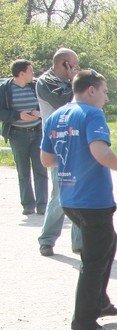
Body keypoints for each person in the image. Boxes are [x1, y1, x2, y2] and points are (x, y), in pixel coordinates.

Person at [39, 68, 117, 330]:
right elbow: (100, 151)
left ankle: (100, 301)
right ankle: (84, 324)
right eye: (104, 91)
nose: (106, 97)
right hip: (92, 199)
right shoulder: (92, 114)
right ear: (91, 89)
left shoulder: (57, 115)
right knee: (93, 261)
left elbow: (46, 160)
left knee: (108, 243)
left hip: (69, 197)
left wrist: (72, 161)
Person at [36, 48, 83, 257]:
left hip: (77, 141)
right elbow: (64, 103)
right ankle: (47, 239)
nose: (76, 68)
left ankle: (80, 242)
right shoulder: (45, 82)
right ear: (63, 63)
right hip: (57, 143)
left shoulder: (72, 81)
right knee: (61, 194)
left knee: (80, 193)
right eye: (73, 64)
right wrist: (76, 80)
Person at [1, 59, 47, 216]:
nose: (33, 74)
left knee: (41, 169)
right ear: (21, 74)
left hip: (37, 132)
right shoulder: (4, 89)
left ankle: (43, 205)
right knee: (23, 171)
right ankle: (28, 205)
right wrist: (18, 115)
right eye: (31, 71)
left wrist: (40, 114)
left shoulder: (34, 86)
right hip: (17, 134)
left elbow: (45, 105)